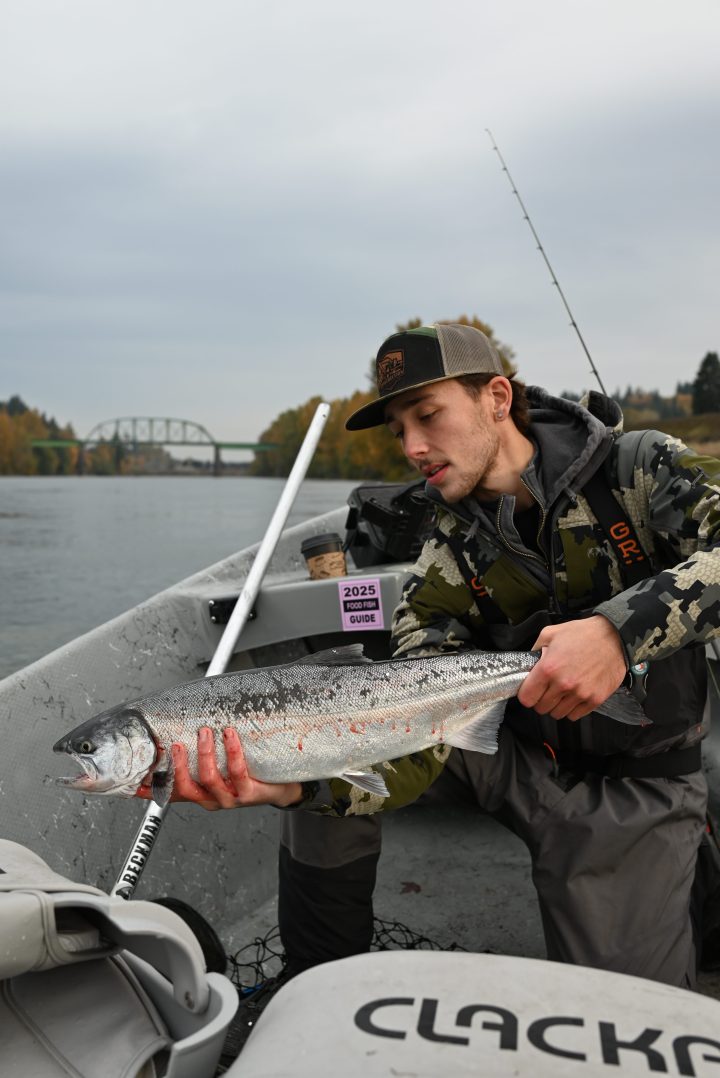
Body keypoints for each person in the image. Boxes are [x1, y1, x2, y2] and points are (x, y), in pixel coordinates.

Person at [145, 322, 720, 989]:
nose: (414, 448)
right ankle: (315, 987)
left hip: (635, 783)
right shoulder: (441, 559)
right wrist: (300, 785)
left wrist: (617, 633)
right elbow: (415, 744)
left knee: (624, 1009)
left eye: (428, 415)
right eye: (398, 430)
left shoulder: (639, 469)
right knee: (315, 748)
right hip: (502, 753)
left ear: (497, 398)